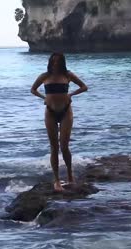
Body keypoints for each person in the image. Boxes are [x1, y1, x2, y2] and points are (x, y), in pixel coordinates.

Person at [30, 53, 88, 192]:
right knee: (54, 147)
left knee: (64, 146)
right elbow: (33, 90)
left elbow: (84, 87)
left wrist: (71, 94)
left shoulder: (68, 75)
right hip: (50, 111)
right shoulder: (44, 76)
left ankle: (70, 175)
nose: (56, 64)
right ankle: (56, 181)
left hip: (66, 111)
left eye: (58, 62)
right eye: (54, 61)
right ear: (50, 63)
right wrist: (44, 97)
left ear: (62, 63)